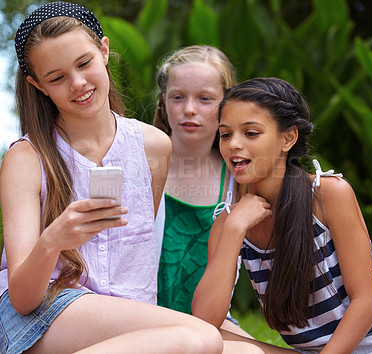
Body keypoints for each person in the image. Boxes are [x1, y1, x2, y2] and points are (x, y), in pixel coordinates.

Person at [0, 2, 225, 353]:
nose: (78, 84)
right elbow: (22, 299)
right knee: (203, 339)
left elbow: (136, 258)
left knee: (243, 350)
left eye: (84, 63)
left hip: (128, 309)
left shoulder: (153, 146)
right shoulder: (25, 159)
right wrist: (53, 240)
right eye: (57, 78)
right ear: (37, 85)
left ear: (104, 51)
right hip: (45, 313)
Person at [192, 77, 372, 353]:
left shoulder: (327, 194)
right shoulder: (229, 222)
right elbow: (204, 325)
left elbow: (366, 302)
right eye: (226, 134)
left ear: (288, 138)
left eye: (251, 133)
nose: (233, 145)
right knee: (213, 343)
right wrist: (233, 229)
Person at [153, 45, 249, 336]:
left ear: (226, 106)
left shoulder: (240, 179)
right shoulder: (140, 163)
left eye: (205, 99)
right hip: (140, 319)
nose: (189, 109)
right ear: (163, 101)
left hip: (210, 323)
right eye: (178, 97)